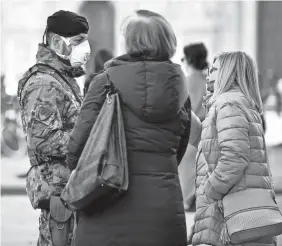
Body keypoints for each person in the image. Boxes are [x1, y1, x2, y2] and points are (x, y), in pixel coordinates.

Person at [66, 9, 191, 246]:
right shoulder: (179, 89)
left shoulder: (105, 81)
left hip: (105, 205)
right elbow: (179, 150)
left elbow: (77, 149)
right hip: (163, 214)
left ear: (130, 41)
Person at [17, 10, 90, 246]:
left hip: (69, 190)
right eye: (79, 41)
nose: (85, 48)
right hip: (59, 195)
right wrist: (88, 138)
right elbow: (44, 140)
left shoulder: (60, 78)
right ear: (58, 42)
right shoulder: (43, 83)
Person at [189, 51, 277, 246]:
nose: (209, 74)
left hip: (229, 214)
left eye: (215, 69)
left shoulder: (229, 103)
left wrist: (209, 190)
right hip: (243, 210)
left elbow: (234, 158)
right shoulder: (242, 103)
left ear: (229, 73)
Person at [182, 43, 208, 122]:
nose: (183, 62)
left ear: (189, 59)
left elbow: (189, 112)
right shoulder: (211, 80)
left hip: (194, 129)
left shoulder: (186, 82)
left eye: (183, 59)